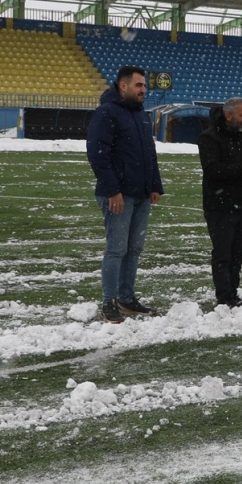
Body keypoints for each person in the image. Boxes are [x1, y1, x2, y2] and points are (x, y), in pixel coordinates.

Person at [87, 66, 165, 323]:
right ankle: (109, 302)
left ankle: (127, 299)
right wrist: (112, 191)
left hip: (141, 193)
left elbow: (149, 153)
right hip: (119, 195)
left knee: (134, 249)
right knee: (116, 249)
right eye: (139, 85)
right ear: (123, 86)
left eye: (144, 86)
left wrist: (155, 185)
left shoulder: (141, 114)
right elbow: (98, 154)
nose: (144, 90)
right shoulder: (107, 112)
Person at [197, 97, 242, 309]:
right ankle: (225, 296)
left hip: (241, 203)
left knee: (239, 252)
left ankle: (232, 292)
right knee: (223, 253)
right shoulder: (209, 138)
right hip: (219, 206)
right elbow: (212, 170)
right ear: (229, 115)